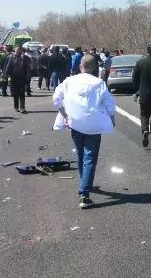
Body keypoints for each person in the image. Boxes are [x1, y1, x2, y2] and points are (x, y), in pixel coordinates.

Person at [53, 54, 116, 209]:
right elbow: (110, 105)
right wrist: (112, 120)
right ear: (95, 68)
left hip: (75, 123)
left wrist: (64, 114)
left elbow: (56, 99)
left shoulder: (69, 81)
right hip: (94, 125)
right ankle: (84, 193)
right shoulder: (99, 83)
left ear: (80, 65)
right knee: (90, 157)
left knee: (80, 154)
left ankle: (84, 183)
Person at [5, 46, 30, 113]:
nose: (17, 52)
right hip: (14, 78)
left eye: (19, 51)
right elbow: (8, 67)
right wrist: (6, 76)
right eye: (16, 51)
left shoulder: (25, 58)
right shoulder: (11, 58)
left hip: (22, 78)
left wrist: (28, 78)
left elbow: (28, 68)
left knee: (22, 93)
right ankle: (16, 107)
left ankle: (22, 108)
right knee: (15, 94)